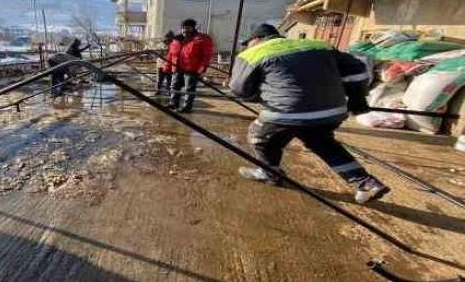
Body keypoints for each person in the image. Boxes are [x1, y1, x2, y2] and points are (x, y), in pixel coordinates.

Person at [229, 24, 389, 204]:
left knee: (260, 137)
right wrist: (356, 98)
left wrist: (262, 98)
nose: (247, 46)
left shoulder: (253, 53)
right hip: (332, 111)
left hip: (287, 113)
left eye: (248, 43)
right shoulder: (319, 45)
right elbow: (358, 70)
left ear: (256, 39)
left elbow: (239, 90)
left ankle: (269, 174)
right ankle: (365, 183)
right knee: (323, 143)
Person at [166, 19, 213, 113]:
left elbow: (207, 54)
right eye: (183, 28)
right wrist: (167, 65)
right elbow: (170, 54)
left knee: (189, 88)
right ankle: (173, 103)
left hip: (191, 69)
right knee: (174, 86)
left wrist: (203, 67)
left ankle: (187, 107)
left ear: (193, 28)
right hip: (177, 67)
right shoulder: (177, 39)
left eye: (187, 28)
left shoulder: (201, 39)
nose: (185, 30)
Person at [154, 31, 176, 95]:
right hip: (160, 65)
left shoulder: (174, 45)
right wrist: (160, 53)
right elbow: (156, 54)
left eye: (170, 38)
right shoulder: (160, 45)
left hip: (169, 65)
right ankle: (158, 91)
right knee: (159, 79)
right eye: (167, 38)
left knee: (169, 79)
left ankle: (169, 91)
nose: (168, 40)